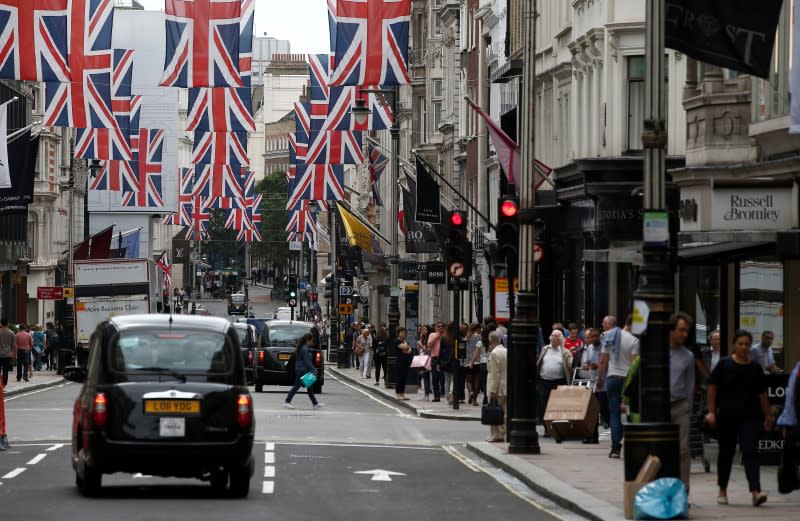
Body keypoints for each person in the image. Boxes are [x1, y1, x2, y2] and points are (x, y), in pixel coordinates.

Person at [706, 329, 774, 507]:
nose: (744, 347)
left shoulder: (755, 368)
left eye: (747, 344)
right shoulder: (724, 365)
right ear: (734, 345)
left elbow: (762, 395)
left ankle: (755, 491)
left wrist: (768, 416)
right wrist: (711, 411)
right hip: (727, 417)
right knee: (726, 453)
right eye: (740, 344)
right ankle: (722, 490)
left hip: (750, 417)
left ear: (750, 346)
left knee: (751, 451)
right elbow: (712, 388)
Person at [596, 315, 640, 459]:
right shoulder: (634, 341)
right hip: (627, 380)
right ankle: (633, 445)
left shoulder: (610, 337)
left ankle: (615, 448)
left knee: (614, 414)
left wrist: (600, 379)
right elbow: (634, 365)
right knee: (630, 413)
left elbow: (602, 361)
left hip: (612, 379)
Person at [668, 312, 696, 493]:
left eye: (687, 331)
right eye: (681, 330)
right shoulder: (657, 352)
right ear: (671, 330)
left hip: (680, 406)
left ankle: (683, 491)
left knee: (683, 450)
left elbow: (690, 385)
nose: (685, 334)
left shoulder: (688, 356)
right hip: (659, 407)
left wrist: (688, 409)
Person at [536, 329, 573, 435]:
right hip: (544, 382)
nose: (553, 338)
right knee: (544, 407)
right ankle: (547, 428)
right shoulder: (545, 349)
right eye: (552, 335)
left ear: (560, 339)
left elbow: (571, 364)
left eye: (556, 336)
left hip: (558, 383)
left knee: (556, 407)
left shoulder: (565, 352)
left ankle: (557, 428)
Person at [282, 333, 324, 410]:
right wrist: (313, 369)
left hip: (303, 370)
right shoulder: (305, 349)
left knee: (310, 387)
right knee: (296, 386)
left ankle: (315, 403)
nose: (312, 343)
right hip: (302, 370)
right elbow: (307, 361)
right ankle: (287, 402)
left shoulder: (304, 348)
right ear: (308, 340)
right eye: (311, 341)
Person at [486, 331, 507, 442]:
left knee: (494, 411)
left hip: (497, 388)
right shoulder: (506, 351)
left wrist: (492, 390)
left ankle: (496, 435)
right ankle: (502, 433)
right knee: (503, 412)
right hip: (505, 387)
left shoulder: (494, 353)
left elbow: (495, 373)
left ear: (490, 340)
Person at [465, 323, 483, 405]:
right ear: (477, 329)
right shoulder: (479, 337)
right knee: (476, 381)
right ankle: (474, 400)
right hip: (478, 361)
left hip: (468, 362)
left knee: (468, 380)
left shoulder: (467, 337)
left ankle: (471, 392)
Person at [393, 327, 412, 400]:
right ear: (398, 333)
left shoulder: (405, 341)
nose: (403, 334)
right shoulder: (397, 341)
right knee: (399, 378)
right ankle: (398, 395)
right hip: (399, 362)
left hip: (405, 361)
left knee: (404, 378)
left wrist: (406, 349)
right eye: (402, 332)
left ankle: (402, 394)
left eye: (404, 332)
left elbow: (409, 350)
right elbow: (406, 347)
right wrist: (406, 348)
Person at [428, 322, 444, 401]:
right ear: (436, 328)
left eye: (442, 326)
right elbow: (429, 345)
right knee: (435, 378)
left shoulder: (445, 336)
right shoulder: (432, 335)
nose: (440, 328)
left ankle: (443, 393)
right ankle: (436, 396)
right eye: (438, 326)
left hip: (443, 358)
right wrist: (436, 337)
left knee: (443, 377)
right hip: (435, 357)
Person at [416, 324, 432, 400]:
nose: (423, 331)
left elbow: (428, 350)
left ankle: (426, 395)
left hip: (426, 359)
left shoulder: (429, 339)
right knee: (424, 377)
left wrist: (421, 345)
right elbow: (419, 350)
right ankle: (426, 394)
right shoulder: (423, 338)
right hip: (421, 358)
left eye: (425, 329)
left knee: (426, 377)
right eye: (423, 330)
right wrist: (420, 339)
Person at [0, 318, 14, 387]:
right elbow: (13, 344)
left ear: (1, 323)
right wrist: (13, 353)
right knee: (5, 371)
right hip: (7, 354)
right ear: (7, 324)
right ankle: (4, 385)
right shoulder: (11, 332)